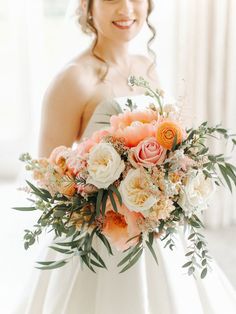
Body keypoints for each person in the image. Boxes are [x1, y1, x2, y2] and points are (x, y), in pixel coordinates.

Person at [14, 1, 236, 313]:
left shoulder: (146, 66)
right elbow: (48, 175)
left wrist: (168, 184)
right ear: (88, 7)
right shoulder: (74, 79)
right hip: (105, 234)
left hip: (157, 224)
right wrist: (104, 193)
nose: (126, 9)